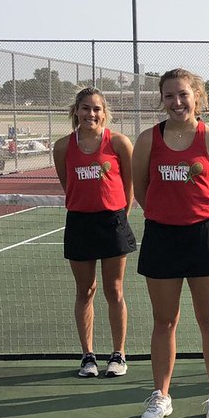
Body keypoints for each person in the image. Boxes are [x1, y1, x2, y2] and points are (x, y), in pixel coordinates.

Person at [132, 69, 209, 418]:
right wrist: (167, 216)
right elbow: (140, 190)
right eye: (169, 96)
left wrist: (196, 218)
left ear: (197, 97)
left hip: (203, 237)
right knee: (164, 321)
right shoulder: (148, 140)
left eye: (183, 95)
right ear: (162, 99)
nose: (177, 102)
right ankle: (161, 395)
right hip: (161, 238)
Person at [53, 87, 136, 379]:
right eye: (86, 108)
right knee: (85, 291)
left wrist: (119, 216)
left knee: (114, 290)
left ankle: (118, 354)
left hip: (112, 222)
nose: (91, 114)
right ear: (76, 111)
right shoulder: (63, 146)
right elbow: (68, 184)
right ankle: (87, 356)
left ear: (104, 112)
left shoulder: (119, 143)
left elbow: (128, 185)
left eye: (97, 109)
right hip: (79, 224)